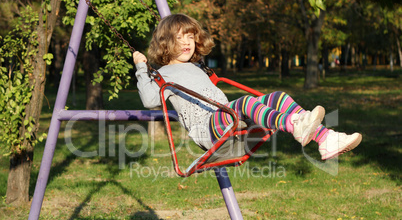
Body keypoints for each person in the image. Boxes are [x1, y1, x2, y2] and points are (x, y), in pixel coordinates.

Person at [134, 13, 362, 160]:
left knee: (278, 97)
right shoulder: (162, 75)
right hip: (208, 132)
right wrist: (141, 67)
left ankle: (326, 139)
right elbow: (149, 100)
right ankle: (294, 125)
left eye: (190, 37)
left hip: (228, 121)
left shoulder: (197, 66)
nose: (186, 42)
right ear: (165, 42)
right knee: (244, 104)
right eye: (179, 38)